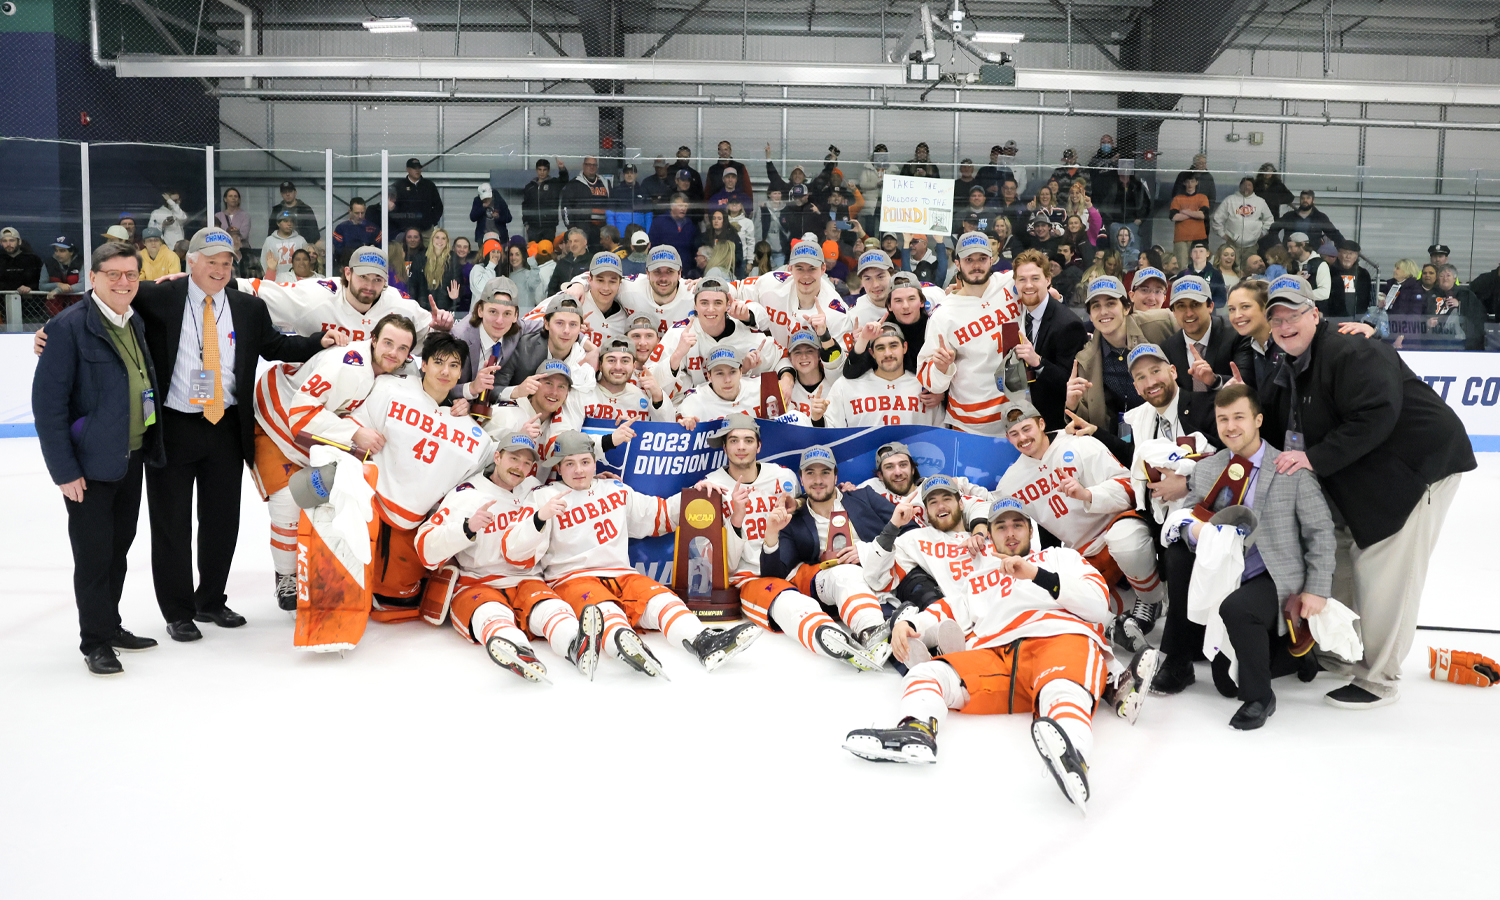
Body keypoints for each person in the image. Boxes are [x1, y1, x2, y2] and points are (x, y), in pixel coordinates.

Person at [846, 489, 1151, 816]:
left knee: (1060, 690)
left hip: (1060, 638)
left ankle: (1071, 754)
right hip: (1000, 656)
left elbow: (1095, 603)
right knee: (929, 672)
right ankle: (916, 730)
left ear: (1030, 531)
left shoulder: (1061, 559)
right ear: (989, 534)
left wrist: (1036, 575)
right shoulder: (980, 577)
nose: (1009, 533)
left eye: (1017, 525)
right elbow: (951, 608)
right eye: (1001, 527)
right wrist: (911, 624)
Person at [1259, 274, 1475, 707]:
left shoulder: (1349, 347)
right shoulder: (1293, 363)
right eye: (1276, 319)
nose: (1285, 326)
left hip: (1418, 466)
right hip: (1369, 472)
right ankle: (1339, 653)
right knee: (1341, 557)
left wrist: (1314, 459)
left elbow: (1377, 413)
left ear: (1315, 314)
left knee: (1386, 568)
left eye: (1294, 315)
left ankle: (1380, 676)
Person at [133, 228, 336, 639]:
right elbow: (106, 302)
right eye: (211, 262)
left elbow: (277, 346)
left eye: (227, 263)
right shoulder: (160, 297)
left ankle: (210, 601)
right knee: (171, 523)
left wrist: (319, 342)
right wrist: (55, 331)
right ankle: (177, 611)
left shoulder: (247, 307)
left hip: (224, 426)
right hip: (173, 426)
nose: (220, 270)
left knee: (222, 521)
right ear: (191, 262)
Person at [1152, 384, 1335, 730]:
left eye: (1239, 417)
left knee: (1237, 610)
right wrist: (1196, 532)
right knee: (1223, 681)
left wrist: (1317, 589)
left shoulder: (1289, 469)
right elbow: (1191, 514)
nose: (1230, 427)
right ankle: (1286, 656)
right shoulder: (1209, 468)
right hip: (1227, 573)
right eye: (1223, 419)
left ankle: (1261, 697)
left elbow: (1320, 533)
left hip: (1272, 574)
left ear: (1258, 420)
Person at [504, 431, 761, 676]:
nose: (579, 470)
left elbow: (656, 515)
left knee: (663, 598)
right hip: (571, 578)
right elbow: (516, 553)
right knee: (604, 609)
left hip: (622, 573)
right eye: (569, 464)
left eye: (585, 461)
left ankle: (704, 642)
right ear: (558, 468)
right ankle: (626, 645)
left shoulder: (615, 490)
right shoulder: (543, 497)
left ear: (595, 462)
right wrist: (540, 518)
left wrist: (695, 494)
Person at [33, 243, 167, 674]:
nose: (124, 282)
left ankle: (110, 626)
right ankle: (94, 641)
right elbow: (48, 407)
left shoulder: (134, 321)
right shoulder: (67, 327)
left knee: (118, 551)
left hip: (128, 459)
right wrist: (64, 471)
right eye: (114, 274)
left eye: (131, 274)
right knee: (93, 557)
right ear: (93, 277)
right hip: (88, 468)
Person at [250, 313, 418, 610]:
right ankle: (287, 576)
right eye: (388, 343)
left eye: (403, 348)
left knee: (337, 498)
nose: (394, 353)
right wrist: (355, 433)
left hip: (316, 427)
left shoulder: (400, 370)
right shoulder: (348, 367)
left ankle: (324, 568)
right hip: (276, 418)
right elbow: (301, 415)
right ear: (374, 339)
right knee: (289, 499)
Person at [414, 431, 602, 682]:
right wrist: (466, 528)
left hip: (527, 578)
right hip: (478, 581)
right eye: (514, 458)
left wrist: (598, 483)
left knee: (551, 609)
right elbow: (425, 548)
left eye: (526, 463)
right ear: (497, 457)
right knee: (489, 613)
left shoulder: (533, 489)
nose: (520, 468)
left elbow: (571, 489)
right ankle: (517, 651)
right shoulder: (467, 494)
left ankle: (575, 644)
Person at [999, 398, 1168, 652]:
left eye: (1026, 428)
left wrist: (1088, 494)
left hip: (1118, 525)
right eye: (1014, 434)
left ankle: (1151, 599)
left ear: (1041, 424)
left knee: (1124, 541)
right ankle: (1118, 628)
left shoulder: (1080, 444)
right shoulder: (1010, 483)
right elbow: (991, 510)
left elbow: (1130, 488)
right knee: (1064, 600)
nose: (1022, 438)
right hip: (1084, 553)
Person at [755, 443, 912, 669]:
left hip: (882, 573)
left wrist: (866, 551)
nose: (818, 480)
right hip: (833, 583)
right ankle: (870, 633)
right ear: (801, 478)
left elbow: (910, 530)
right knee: (845, 573)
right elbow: (774, 575)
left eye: (825, 472)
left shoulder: (864, 497)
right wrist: (771, 534)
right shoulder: (794, 519)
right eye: (810, 473)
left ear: (836, 475)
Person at [915, 231, 1021, 435]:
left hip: (1020, 412)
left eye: (982, 258)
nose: (976, 265)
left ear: (992, 259)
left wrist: (1049, 296)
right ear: (957, 263)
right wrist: (941, 367)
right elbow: (928, 379)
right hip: (972, 421)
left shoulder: (1011, 283)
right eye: (969, 260)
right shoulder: (943, 314)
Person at [236, 244, 445, 345]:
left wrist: (444, 329)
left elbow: (433, 343)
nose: (370, 286)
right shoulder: (316, 294)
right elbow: (260, 290)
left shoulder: (401, 305)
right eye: (363, 277)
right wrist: (214, 282)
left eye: (377, 280)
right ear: (348, 272)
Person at [654, 278, 781, 397]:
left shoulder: (748, 333)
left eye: (718, 303)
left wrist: (785, 379)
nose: (710, 309)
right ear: (695, 306)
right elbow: (652, 380)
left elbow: (781, 357)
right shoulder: (680, 333)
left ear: (727, 306)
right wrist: (677, 355)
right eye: (704, 303)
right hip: (700, 408)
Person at [1008, 248, 1089, 431]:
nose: (1028, 285)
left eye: (1035, 278)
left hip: (1055, 428)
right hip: (1023, 423)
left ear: (1048, 280)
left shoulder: (1068, 324)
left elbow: (1071, 384)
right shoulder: (1018, 317)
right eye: (1022, 279)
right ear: (1015, 283)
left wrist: (1037, 361)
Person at [824, 322, 939, 428]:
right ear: (872, 353)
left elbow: (942, 434)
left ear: (904, 347)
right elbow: (830, 429)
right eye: (880, 348)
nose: (888, 353)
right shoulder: (846, 386)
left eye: (893, 346)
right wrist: (817, 418)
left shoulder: (925, 386)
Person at [1212, 177, 1273, 264]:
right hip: (1232, 245)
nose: (1246, 187)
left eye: (1249, 185)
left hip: (1251, 247)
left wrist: (1262, 233)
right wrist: (1223, 235)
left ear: (1253, 187)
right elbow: (1217, 219)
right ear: (1240, 186)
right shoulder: (1230, 200)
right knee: (1230, 268)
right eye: (1244, 185)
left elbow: (1269, 220)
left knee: (1250, 270)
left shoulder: (1260, 202)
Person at [1432, 263, 1487, 352]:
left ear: (1455, 278)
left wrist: (1460, 305)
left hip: (1461, 343)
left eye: (1448, 275)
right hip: (1436, 341)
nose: (1445, 278)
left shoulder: (1466, 294)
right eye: (1442, 276)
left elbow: (1478, 316)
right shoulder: (1431, 294)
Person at [391, 158, 444, 242]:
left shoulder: (429, 185)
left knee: (427, 253)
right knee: (406, 254)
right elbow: (392, 208)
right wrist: (401, 225)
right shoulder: (398, 186)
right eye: (414, 168)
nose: (417, 170)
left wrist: (431, 222)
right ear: (407, 169)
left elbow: (438, 206)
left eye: (419, 168)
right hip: (406, 232)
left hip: (426, 231)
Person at [560, 156, 610, 246]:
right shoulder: (574, 184)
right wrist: (570, 226)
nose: (592, 167)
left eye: (594, 165)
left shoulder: (604, 183)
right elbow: (565, 207)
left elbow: (611, 204)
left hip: (602, 229)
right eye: (589, 164)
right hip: (583, 228)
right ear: (583, 166)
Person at [1272, 189, 1343, 250]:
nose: (1305, 200)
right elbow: (1273, 229)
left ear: (1313, 200)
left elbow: (1334, 234)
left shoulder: (1320, 217)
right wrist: (1277, 244)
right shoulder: (1289, 216)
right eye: (1302, 198)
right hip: (1291, 253)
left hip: (1312, 254)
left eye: (1308, 198)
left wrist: (1345, 246)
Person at [521, 158, 568, 242]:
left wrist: (562, 168)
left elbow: (564, 180)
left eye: (544, 170)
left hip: (549, 226)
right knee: (533, 251)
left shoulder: (554, 184)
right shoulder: (530, 187)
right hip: (533, 226)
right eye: (539, 169)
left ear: (548, 171)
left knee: (548, 251)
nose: (542, 172)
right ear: (536, 170)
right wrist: (526, 222)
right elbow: (525, 205)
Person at [1285, 232, 1333, 312]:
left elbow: (1324, 292)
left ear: (1302, 245)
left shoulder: (1320, 264)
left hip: (1315, 312)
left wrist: (1300, 295)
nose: (1289, 251)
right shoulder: (1291, 264)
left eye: (1291, 247)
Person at [1169, 175, 1211, 266]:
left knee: (1199, 265)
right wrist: (1194, 213)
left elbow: (1203, 215)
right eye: (1187, 182)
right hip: (1181, 239)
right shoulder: (1177, 198)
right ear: (1184, 183)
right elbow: (1174, 217)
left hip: (1199, 237)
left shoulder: (1202, 197)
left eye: (1192, 181)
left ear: (1197, 182)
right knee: (1182, 266)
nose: (1190, 184)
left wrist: (1184, 211)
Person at [421, 228, 463, 313]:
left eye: (443, 238)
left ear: (447, 241)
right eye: (437, 237)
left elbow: (458, 281)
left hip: (446, 307)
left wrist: (455, 299)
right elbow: (416, 283)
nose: (440, 241)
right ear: (432, 239)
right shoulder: (421, 257)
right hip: (424, 308)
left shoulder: (453, 258)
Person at [647, 193, 697, 264]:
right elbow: (653, 247)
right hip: (665, 267)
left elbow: (692, 249)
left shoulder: (689, 224)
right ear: (672, 206)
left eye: (686, 206)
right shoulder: (659, 222)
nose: (683, 209)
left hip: (685, 268)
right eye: (680, 205)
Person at [1327, 239, 1372, 317]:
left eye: (1351, 254)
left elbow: (1368, 298)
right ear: (1338, 254)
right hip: (1333, 319)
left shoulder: (1363, 274)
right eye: (1345, 253)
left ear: (1356, 256)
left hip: (1357, 319)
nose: (1348, 257)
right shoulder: (1329, 272)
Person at [263, 211, 308, 280]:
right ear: (278, 223)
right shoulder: (269, 240)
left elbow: (306, 261)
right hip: (276, 280)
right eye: (285, 221)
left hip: (297, 280)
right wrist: (271, 277)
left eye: (291, 221)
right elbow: (264, 261)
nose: (289, 224)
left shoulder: (300, 240)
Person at [1178, 242, 1227, 307]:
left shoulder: (1216, 274)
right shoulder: (1182, 274)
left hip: (1208, 314)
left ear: (1207, 254)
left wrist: (1204, 305)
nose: (1198, 254)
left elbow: (1221, 300)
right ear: (1191, 255)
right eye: (1195, 251)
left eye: (1201, 251)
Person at [545, 228, 591, 296]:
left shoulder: (592, 261)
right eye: (570, 241)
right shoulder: (563, 262)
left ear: (585, 242)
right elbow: (552, 287)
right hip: (564, 303)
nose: (572, 244)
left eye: (576, 241)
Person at [214, 188, 252, 269]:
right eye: (230, 196)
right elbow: (216, 234)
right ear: (225, 199)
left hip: (242, 252)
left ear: (239, 200)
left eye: (235, 196)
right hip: (223, 251)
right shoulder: (218, 216)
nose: (233, 198)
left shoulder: (245, 216)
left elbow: (244, 235)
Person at [470, 181, 512, 247]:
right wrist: (482, 208)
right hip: (483, 236)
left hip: (499, 236)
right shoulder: (477, 201)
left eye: (488, 198)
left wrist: (498, 217)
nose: (486, 200)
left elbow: (509, 218)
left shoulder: (499, 201)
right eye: (484, 199)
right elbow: (472, 217)